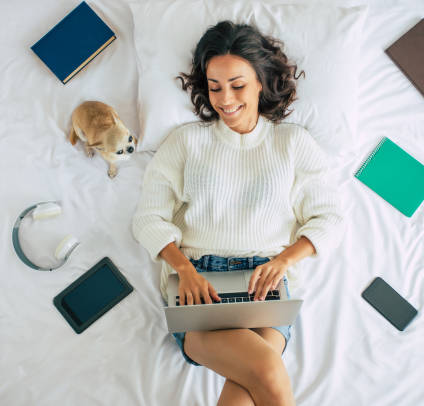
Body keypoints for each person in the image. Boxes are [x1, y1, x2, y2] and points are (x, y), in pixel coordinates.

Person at [132, 20, 344, 406]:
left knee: (247, 391)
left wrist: (283, 260)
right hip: (200, 285)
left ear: (261, 82)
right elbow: (148, 219)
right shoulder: (185, 142)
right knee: (264, 369)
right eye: (214, 87)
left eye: (237, 85)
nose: (225, 99)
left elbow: (329, 219)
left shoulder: (294, 144)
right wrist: (185, 270)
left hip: (266, 283)